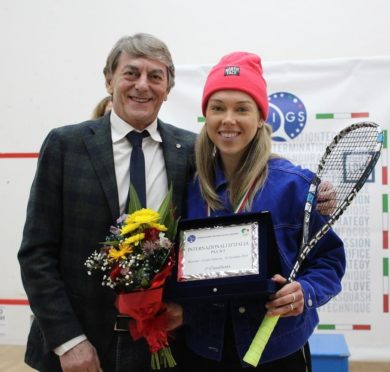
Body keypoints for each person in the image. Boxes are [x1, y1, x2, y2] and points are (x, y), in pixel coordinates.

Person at [18, 33, 197, 372]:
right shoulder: (65, 145)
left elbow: (246, 161)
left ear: (168, 89)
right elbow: (36, 253)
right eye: (131, 73)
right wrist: (69, 341)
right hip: (80, 350)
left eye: (155, 76)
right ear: (109, 79)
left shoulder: (191, 150)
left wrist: (314, 188)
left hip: (161, 346)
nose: (142, 85)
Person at [171, 52, 346, 371]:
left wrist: (304, 292)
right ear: (206, 115)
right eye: (218, 107)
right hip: (202, 349)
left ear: (261, 117)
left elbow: (329, 262)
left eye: (242, 109)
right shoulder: (188, 188)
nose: (228, 119)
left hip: (276, 351)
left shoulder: (296, 186)